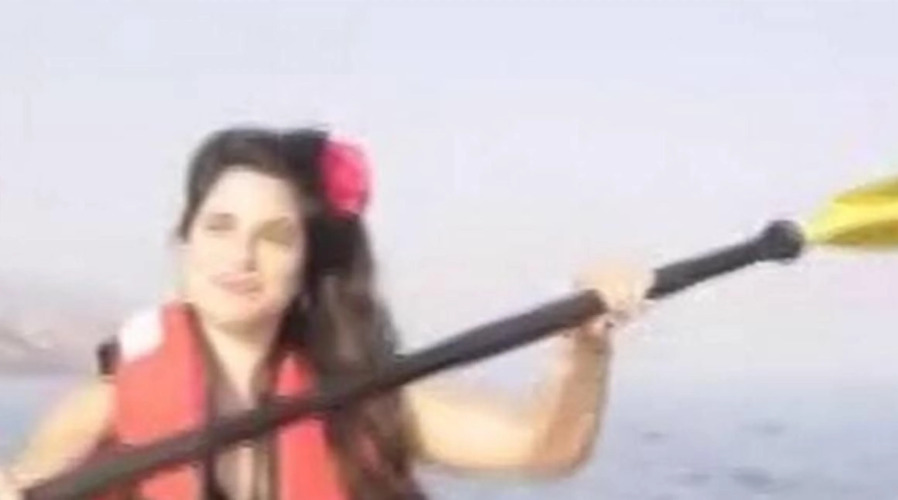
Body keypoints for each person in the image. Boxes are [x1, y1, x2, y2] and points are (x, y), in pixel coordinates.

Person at [0, 127, 653, 499]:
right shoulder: (104, 408)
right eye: (220, 227)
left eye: (274, 236)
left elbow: (544, 448)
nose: (242, 256)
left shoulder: (366, 402)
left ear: (305, 262)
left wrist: (585, 347)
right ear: (184, 243)